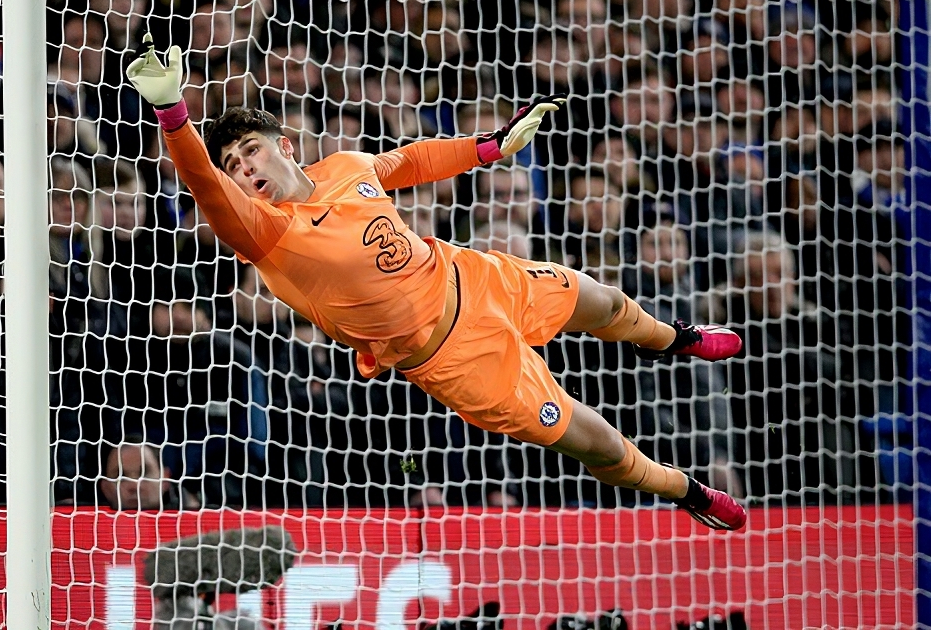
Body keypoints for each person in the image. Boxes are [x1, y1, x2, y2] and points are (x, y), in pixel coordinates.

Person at [125, 38, 747, 531]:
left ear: (284, 145)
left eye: (251, 152)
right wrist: (173, 114)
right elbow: (203, 185)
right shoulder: (263, 233)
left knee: (604, 300)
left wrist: (488, 147)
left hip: (470, 276)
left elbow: (410, 162)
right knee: (596, 444)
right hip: (453, 357)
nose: (243, 170)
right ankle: (685, 490)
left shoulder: (343, 167)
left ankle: (671, 339)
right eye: (234, 167)